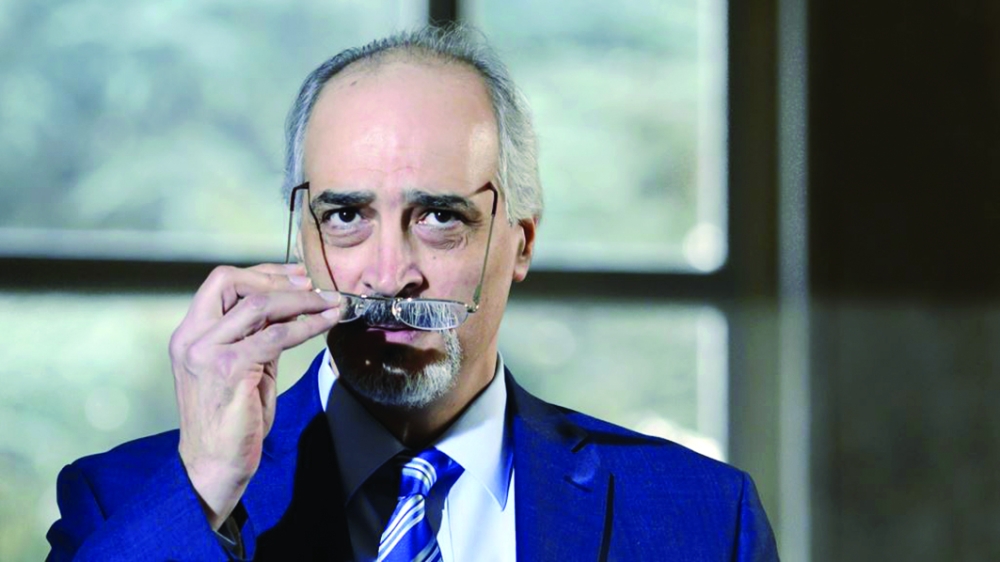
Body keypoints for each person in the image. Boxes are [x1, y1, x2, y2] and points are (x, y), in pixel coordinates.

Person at [46, 26, 778, 561]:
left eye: (439, 218)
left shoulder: (703, 521)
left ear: (521, 243)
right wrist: (204, 487)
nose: (389, 274)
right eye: (345, 216)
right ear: (302, 237)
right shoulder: (122, 502)